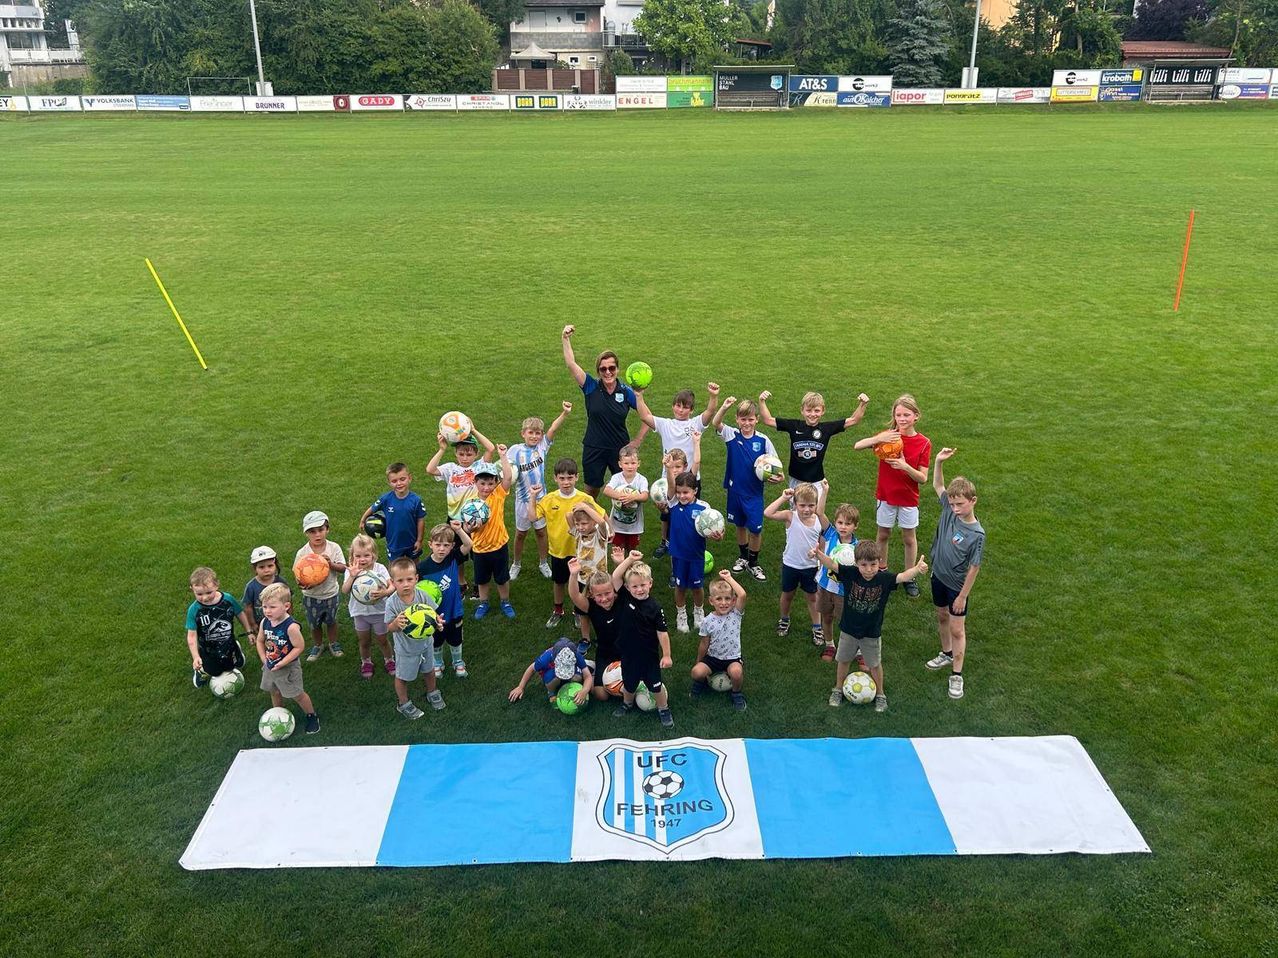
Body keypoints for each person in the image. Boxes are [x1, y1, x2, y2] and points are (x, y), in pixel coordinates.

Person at [813, 541, 928, 714]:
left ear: (879, 561)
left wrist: (917, 569)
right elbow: (832, 564)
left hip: (871, 633)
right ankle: (837, 689)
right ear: (856, 563)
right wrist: (818, 554)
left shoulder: (884, 579)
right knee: (843, 660)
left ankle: (880, 693)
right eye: (864, 565)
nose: (869, 569)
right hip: (849, 630)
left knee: (874, 664)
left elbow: (902, 577)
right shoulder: (850, 574)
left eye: (873, 564)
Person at [853, 394, 931, 596]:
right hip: (886, 496)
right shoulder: (889, 436)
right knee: (883, 534)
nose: (902, 419)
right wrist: (878, 438)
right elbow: (857, 445)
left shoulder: (923, 443)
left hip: (908, 498)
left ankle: (909, 576)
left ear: (916, 416)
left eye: (907, 415)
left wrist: (905, 467)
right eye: (898, 415)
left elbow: (922, 478)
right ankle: (882, 571)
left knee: (908, 537)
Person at [924, 448, 985, 701]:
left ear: (973, 500)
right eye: (952, 503)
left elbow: (974, 567)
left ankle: (957, 675)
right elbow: (937, 484)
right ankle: (946, 654)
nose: (955, 508)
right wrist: (937, 461)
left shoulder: (977, 534)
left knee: (958, 629)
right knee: (941, 617)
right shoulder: (949, 509)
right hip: (938, 576)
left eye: (960, 504)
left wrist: (962, 596)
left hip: (957, 587)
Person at [633, 382, 716, 554]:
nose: (680, 410)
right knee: (666, 515)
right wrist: (639, 397)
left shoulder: (695, 424)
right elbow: (645, 417)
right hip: (668, 481)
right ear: (673, 406)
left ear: (691, 410)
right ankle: (665, 542)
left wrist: (713, 396)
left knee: (689, 513)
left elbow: (709, 413)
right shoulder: (665, 424)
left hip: (690, 480)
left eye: (685, 407)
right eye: (678, 406)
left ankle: (690, 540)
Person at [710, 394, 782, 581]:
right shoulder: (731, 435)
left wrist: (778, 477)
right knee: (740, 526)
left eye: (751, 419)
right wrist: (724, 406)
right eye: (743, 419)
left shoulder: (763, 440)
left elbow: (776, 466)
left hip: (754, 494)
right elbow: (715, 423)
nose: (747, 423)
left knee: (755, 530)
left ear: (757, 419)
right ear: (737, 419)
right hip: (735, 492)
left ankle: (754, 562)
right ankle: (743, 557)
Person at [561, 324, 637, 497]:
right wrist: (565, 339)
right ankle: (588, 522)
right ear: (598, 371)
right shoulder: (590, 387)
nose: (608, 372)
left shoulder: (626, 392)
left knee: (623, 488)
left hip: (620, 448)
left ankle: (621, 522)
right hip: (594, 447)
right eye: (603, 369)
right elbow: (571, 364)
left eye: (611, 368)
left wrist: (637, 441)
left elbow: (647, 416)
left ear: (617, 369)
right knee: (591, 489)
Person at [528, 457, 598, 629]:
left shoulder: (584, 498)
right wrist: (532, 497)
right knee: (559, 582)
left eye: (569, 478)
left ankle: (577, 611)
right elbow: (532, 517)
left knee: (580, 583)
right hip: (558, 551)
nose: (566, 482)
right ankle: (558, 610)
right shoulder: (549, 499)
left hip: (580, 552)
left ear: (577, 477)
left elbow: (600, 516)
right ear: (555, 479)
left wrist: (608, 530)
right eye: (562, 478)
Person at [426, 426, 495, 596]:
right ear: (456, 453)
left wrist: (473, 430)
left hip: (475, 520)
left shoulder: (479, 467)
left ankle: (479, 585)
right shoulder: (450, 468)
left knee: (477, 553)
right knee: (457, 554)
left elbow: (491, 448)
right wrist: (441, 449)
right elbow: (430, 469)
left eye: (469, 454)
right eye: (461, 454)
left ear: (476, 454)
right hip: (455, 520)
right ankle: (461, 582)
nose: (465, 457)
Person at [610, 550, 675, 729]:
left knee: (655, 685)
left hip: (648, 656)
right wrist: (629, 559)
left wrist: (667, 655)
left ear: (650, 584)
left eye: (642, 585)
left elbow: (662, 633)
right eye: (635, 586)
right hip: (628, 653)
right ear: (627, 587)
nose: (639, 589)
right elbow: (615, 576)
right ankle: (627, 704)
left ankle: (664, 708)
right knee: (629, 684)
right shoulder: (624, 598)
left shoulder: (655, 607)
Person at [507, 401, 572, 581]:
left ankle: (544, 562)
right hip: (523, 500)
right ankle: (516, 563)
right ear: (523, 434)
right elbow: (507, 470)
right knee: (520, 534)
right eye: (531, 433)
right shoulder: (515, 450)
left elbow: (553, 428)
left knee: (541, 532)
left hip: (542, 500)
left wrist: (564, 413)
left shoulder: (542, 446)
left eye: (537, 433)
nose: (534, 436)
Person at [758, 389, 870, 491]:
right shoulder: (794, 426)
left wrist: (863, 404)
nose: (812, 414)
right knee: (797, 511)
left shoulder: (827, 428)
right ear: (802, 410)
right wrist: (762, 401)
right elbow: (767, 420)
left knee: (815, 512)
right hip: (795, 480)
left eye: (817, 411)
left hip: (817, 481)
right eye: (808, 410)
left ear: (823, 411)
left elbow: (854, 420)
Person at [384, 557, 446, 719]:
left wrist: (438, 623)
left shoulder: (423, 596)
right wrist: (396, 623)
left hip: (426, 645)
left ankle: (432, 692)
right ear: (393, 582)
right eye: (400, 580)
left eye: (409, 579)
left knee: (429, 670)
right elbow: (389, 627)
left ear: (416, 579)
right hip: (406, 650)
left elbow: (434, 616)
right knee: (403, 677)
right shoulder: (392, 603)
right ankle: (403, 703)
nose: (406, 584)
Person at [764, 483, 826, 645]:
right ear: (795, 504)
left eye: (811, 505)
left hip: (810, 567)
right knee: (787, 595)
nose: (806, 509)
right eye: (802, 505)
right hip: (790, 565)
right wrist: (783, 497)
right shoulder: (790, 516)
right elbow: (768, 513)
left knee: (812, 597)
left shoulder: (819, 522)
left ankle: (817, 627)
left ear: (816, 504)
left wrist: (817, 553)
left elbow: (822, 543)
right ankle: (784, 619)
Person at [255, 582, 320, 734]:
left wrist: (282, 662)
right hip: (270, 665)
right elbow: (259, 640)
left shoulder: (291, 627)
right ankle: (278, 713)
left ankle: (311, 715)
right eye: (264, 607)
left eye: (272, 607)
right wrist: (264, 659)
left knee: (297, 694)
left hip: (288, 667)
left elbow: (299, 647)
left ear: (286, 606)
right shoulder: (265, 622)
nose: (267, 611)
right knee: (274, 691)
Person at [666, 463, 723, 634]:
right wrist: (669, 469)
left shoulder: (704, 508)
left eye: (686, 492)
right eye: (679, 492)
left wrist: (719, 535)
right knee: (680, 586)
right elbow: (670, 486)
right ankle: (681, 614)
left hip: (697, 555)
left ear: (695, 491)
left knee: (697, 587)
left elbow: (717, 526)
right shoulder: (673, 503)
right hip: (678, 555)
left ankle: (699, 611)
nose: (681, 496)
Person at [416, 523, 471, 679]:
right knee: (436, 641)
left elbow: (468, 544)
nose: (441, 549)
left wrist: (459, 530)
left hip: (454, 610)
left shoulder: (453, 557)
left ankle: (458, 661)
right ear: (430, 544)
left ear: (452, 546)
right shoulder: (423, 568)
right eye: (438, 544)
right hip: (434, 614)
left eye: (446, 545)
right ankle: (438, 663)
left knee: (455, 639)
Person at [185, 566, 255, 687]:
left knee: (229, 668)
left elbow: (240, 614)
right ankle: (201, 671)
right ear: (192, 589)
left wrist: (249, 632)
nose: (205, 597)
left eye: (209, 592)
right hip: (208, 649)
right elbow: (191, 636)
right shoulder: (194, 610)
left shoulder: (227, 600)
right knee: (215, 672)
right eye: (199, 594)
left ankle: (236, 650)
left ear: (217, 585)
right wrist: (196, 657)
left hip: (227, 642)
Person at [690, 570, 748, 711]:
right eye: (719, 599)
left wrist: (728, 578)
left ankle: (736, 693)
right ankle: (701, 683)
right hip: (713, 658)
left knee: (736, 672)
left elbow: (742, 594)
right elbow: (704, 643)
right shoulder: (707, 621)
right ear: (711, 601)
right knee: (696, 672)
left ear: (733, 601)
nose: (724, 603)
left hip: (732, 658)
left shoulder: (736, 614)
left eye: (728, 599)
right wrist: (699, 661)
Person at [469, 448, 516, 620]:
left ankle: (505, 601)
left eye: (490, 483)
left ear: (496, 482)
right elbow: (467, 529)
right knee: (482, 580)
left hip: (499, 545)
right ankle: (484, 602)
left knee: (502, 578)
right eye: (482, 483)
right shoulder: (471, 503)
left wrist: (503, 456)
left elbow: (508, 477)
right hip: (480, 548)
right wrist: (472, 527)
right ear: (476, 483)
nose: (486, 487)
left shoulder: (498, 495)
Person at [567, 558, 623, 701]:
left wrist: (619, 563)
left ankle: (595, 669)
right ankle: (590, 670)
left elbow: (625, 581)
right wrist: (574, 575)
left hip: (626, 651)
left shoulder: (621, 600)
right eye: (599, 595)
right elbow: (574, 595)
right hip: (605, 652)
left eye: (608, 593)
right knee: (601, 695)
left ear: (614, 590)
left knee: (628, 688)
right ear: (591, 594)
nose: (604, 598)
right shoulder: (590, 606)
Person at [295, 510, 348, 662]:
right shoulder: (303, 553)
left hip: (330, 593)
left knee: (331, 621)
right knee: (314, 624)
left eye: (320, 530)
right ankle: (318, 645)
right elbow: (298, 575)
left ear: (327, 529)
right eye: (312, 531)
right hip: (311, 596)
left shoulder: (334, 548)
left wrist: (330, 564)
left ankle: (333, 643)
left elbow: (344, 568)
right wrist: (304, 585)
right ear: (306, 533)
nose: (317, 535)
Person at [341, 533, 395, 679]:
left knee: (383, 640)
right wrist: (352, 576)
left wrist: (385, 593)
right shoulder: (351, 570)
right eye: (358, 556)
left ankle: (389, 659)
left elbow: (392, 587)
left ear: (374, 555)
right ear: (352, 557)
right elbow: (345, 590)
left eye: (366, 555)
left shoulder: (380, 569)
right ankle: (366, 662)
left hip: (380, 612)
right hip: (360, 613)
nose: (362, 559)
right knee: (364, 641)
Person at [815, 502, 860, 662]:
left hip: (844, 591)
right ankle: (829, 645)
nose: (843, 527)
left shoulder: (858, 548)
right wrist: (825, 490)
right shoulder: (831, 535)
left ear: (855, 526)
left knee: (847, 622)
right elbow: (819, 513)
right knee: (826, 617)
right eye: (840, 522)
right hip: (825, 586)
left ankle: (856, 650)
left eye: (848, 524)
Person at [359, 461, 426, 562]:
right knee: (394, 565)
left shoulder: (416, 500)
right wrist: (363, 520)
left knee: (415, 564)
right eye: (394, 481)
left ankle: (415, 577)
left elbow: (420, 520)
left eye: (402, 479)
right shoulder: (386, 499)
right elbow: (373, 508)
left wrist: (419, 540)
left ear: (409, 478)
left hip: (411, 542)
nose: (399, 483)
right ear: (389, 482)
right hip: (394, 543)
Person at [568, 500, 612, 644]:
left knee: (603, 609)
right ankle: (585, 638)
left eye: (584, 524)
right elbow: (568, 516)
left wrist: (586, 507)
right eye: (578, 524)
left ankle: (605, 636)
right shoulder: (577, 533)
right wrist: (578, 509)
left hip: (599, 582)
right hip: (582, 580)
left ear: (593, 521)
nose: (580, 527)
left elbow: (602, 522)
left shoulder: (601, 534)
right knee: (582, 612)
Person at [508, 638, 594, 706]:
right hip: (551, 674)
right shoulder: (544, 660)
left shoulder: (575, 655)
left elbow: (588, 676)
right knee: (550, 678)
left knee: (578, 677)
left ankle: (572, 683)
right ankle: (551, 692)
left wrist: (584, 690)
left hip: (573, 670)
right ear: (554, 658)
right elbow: (531, 669)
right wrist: (520, 687)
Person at [601, 445, 648, 554]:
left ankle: (632, 570)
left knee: (632, 550)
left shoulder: (641, 480)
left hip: (634, 525)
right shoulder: (616, 478)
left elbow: (645, 496)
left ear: (638, 463)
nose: (630, 466)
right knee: (618, 550)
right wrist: (621, 497)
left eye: (633, 463)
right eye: (626, 463)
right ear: (620, 464)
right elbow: (606, 490)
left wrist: (633, 497)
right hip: (617, 525)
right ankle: (619, 570)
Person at [242, 546, 286, 636]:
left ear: (275, 565)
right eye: (261, 567)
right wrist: (253, 624)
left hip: (281, 620)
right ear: (255, 569)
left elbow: (288, 601)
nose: (266, 570)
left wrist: (289, 617)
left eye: (270, 566)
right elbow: (248, 607)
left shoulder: (281, 582)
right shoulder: (251, 587)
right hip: (261, 624)